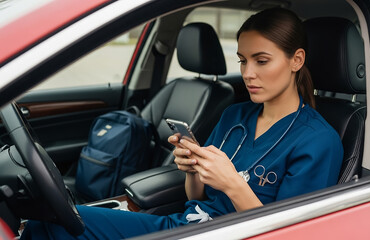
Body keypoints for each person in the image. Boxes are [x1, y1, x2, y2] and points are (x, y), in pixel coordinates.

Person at [21, 7, 343, 239]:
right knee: (53, 221)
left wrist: (232, 182)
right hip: (184, 224)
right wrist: (192, 170)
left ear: (296, 60)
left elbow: (290, 233)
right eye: (243, 61)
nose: (248, 74)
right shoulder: (236, 116)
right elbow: (196, 200)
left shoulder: (318, 141)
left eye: (261, 61)